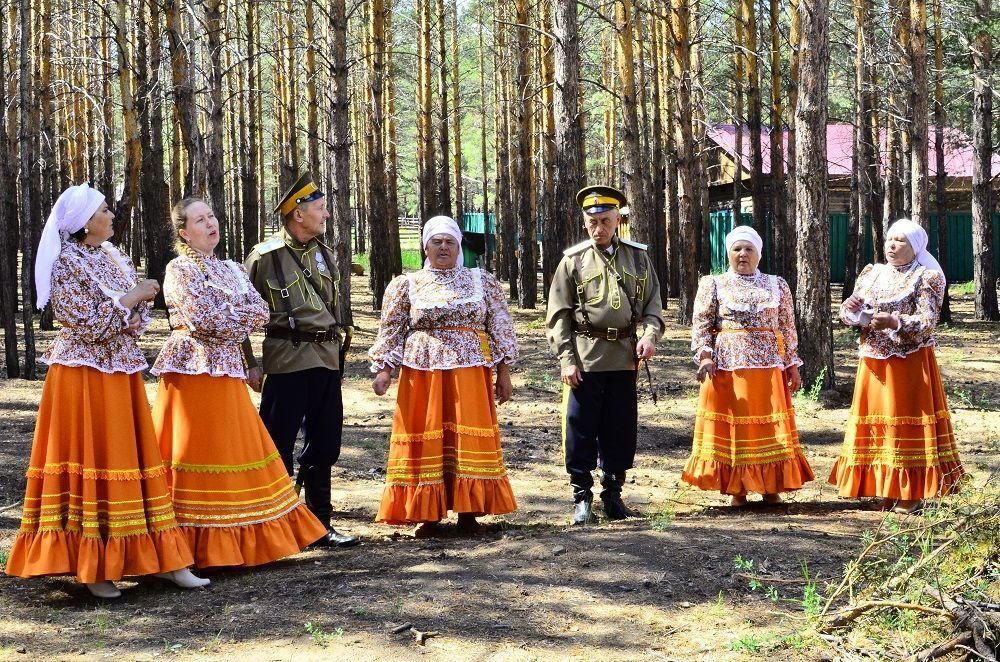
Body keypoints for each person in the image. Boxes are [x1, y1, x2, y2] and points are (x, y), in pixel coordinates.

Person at [4, 184, 207, 598]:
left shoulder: (111, 255)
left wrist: (136, 308)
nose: (112, 215)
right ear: (83, 223)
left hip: (120, 366)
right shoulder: (66, 262)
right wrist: (132, 298)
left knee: (132, 455)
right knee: (95, 454)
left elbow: (134, 315)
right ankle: (94, 563)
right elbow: (85, 323)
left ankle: (160, 558)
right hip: (83, 374)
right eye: (103, 211)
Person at [151, 198, 328, 568]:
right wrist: (234, 316)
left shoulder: (231, 268)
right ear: (184, 232)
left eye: (212, 216)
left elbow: (260, 310)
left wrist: (229, 316)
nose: (210, 223)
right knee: (196, 450)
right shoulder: (180, 268)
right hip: (193, 371)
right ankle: (192, 544)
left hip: (226, 368)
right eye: (200, 220)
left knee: (230, 449)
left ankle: (239, 537)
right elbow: (201, 319)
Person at [369, 215, 518, 537]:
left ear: (459, 246)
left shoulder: (481, 281)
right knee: (428, 437)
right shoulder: (406, 284)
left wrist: (504, 373)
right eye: (436, 241)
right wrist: (384, 369)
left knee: (466, 436)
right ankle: (428, 513)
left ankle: (469, 512)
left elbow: (501, 326)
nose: (443, 247)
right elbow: (392, 329)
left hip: (470, 371)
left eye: (449, 241)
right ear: (425, 246)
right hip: (423, 372)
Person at [243, 172, 358, 547]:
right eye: (320, 209)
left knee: (325, 443)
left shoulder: (323, 252)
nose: (326, 216)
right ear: (298, 214)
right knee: (278, 443)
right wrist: (249, 361)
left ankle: (319, 524)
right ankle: (275, 526)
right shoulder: (265, 257)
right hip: (288, 360)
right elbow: (240, 313)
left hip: (326, 359)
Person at [545, 185, 664, 525]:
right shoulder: (573, 261)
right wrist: (566, 359)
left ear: (618, 221)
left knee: (620, 429)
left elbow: (653, 306)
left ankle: (613, 496)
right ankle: (581, 498)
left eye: (606, 221)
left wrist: (650, 335)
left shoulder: (637, 257)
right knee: (581, 429)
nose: (599, 229)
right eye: (592, 222)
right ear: (584, 222)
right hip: (585, 359)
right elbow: (558, 316)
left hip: (625, 359)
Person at [829, 219, 965, 514]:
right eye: (890, 239)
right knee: (879, 422)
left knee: (904, 423)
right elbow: (851, 313)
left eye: (900, 240)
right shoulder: (872, 273)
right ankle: (885, 489)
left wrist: (895, 322)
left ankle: (911, 492)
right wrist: (853, 312)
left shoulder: (927, 276)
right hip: (874, 361)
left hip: (909, 361)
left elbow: (928, 321)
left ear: (915, 246)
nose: (892, 245)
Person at [681, 225, 814, 505]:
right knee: (737, 427)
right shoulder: (713, 284)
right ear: (728, 253)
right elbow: (701, 324)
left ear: (759, 253)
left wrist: (791, 364)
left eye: (749, 249)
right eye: (737, 249)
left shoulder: (777, 284)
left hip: (768, 368)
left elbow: (787, 327)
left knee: (767, 427)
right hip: (729, 366)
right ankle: (737, 489)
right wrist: (705, 356)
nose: (743, 254)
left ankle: (770, 487)